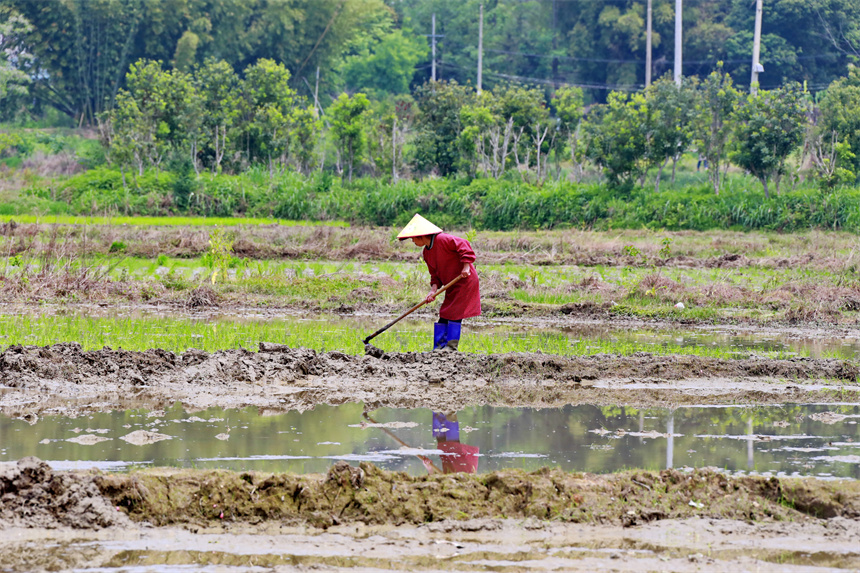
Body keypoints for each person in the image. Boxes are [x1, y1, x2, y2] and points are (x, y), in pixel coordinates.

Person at [397, 213, 481, 351]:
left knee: (454, 312)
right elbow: (435, 275)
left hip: (465, 280)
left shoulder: (443, 239)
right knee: (445, 313)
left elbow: (464, 244)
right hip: (452, 283)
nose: (412, 241)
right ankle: (439, 347)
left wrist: (466, 267)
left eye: (412, 238)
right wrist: (432, 291)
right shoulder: (427, 253)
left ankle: (451, 347)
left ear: (422, 235)